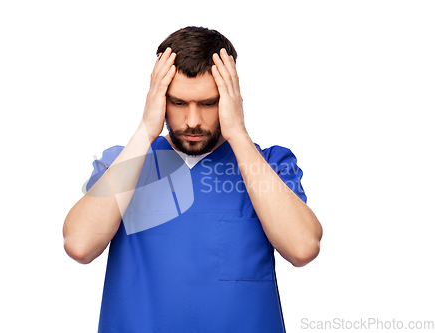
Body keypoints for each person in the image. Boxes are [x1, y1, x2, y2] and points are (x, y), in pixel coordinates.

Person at [63, 26, 323, 333]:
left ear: (231, 99)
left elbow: (303, 247)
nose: (192, 121)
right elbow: (79, 245)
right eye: (177, 103)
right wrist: (146, 129)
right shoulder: (123, 164)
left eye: (209, 103)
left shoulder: (269, 165)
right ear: (159, 100)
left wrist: (237, 133)